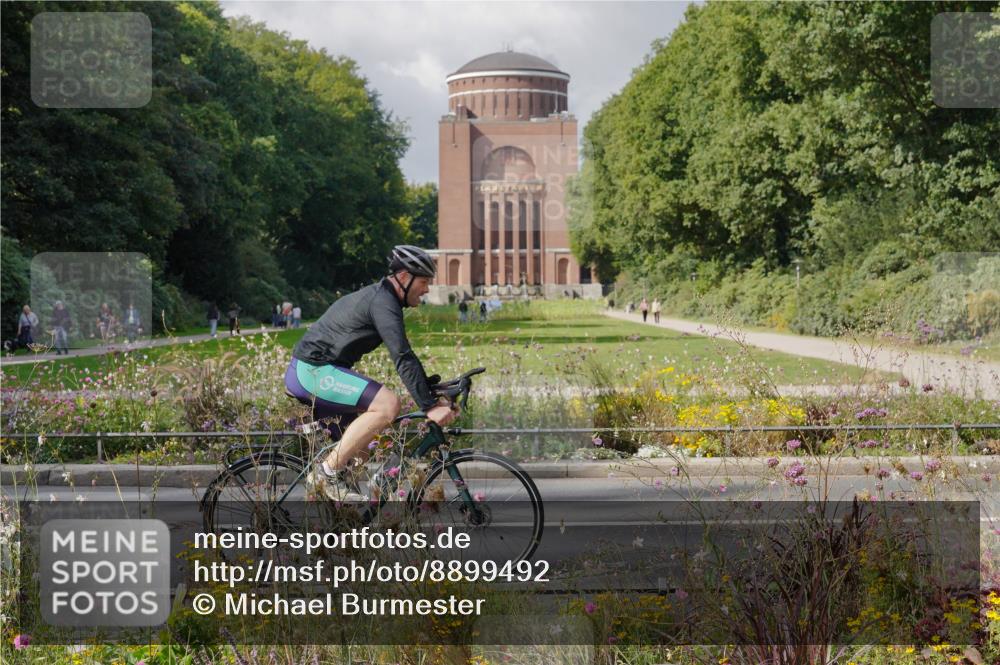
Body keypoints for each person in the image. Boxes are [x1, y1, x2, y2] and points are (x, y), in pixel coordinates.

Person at [285, 245, 459, 502]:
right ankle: (324, 474)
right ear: (404, 277)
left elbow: (406, 355)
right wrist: (430, 406)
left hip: (317, 371)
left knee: (360, 454)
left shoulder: (384, 299)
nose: (427, 289)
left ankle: (344, 517)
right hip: (311, 371)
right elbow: (402, 355)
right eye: (424, 282)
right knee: (388, 405)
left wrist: (432, 392)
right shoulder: (383, 301)